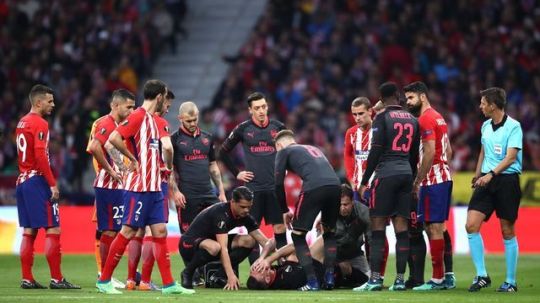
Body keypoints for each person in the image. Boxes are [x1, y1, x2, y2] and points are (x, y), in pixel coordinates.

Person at [95, 80, 193, 295]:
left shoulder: (153, 119)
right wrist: (129, 162)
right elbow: (112, 139)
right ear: (159, 97)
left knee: (160, 231)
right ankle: (104, 280)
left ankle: (168, 285)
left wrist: (125, 165)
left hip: (154, 188)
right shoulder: (138, 116)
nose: (165, 102)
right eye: (164, 97)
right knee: (128, 231)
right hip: (138, 188)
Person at [355, 82, 420, 292]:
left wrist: (364, 181)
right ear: (398, 96)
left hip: (386, 175)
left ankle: (374, 280)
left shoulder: (381, 118)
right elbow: (414, 155)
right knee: (402, 229)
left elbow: (375, 151)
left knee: (377, 227)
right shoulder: (412, 119)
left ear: (381, 98)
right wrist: (411, 180)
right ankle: (400, 280)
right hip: (405, 175)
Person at [15, 84, 80, 289]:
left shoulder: (21, 122)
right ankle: (57, 279)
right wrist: (52, 184)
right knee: (53, 228)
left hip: (22, 180)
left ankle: (27, 278)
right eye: (50, 101)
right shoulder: (39, 123)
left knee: (29, 231)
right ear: (38, 102)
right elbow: (41, 155)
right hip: (37, 181)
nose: (53, 105)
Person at [465, 87, 522, 292]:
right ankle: (482, 275)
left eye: (482, 103)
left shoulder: (514, 126)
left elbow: (511, 157)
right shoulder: (485, 126)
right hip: (486, 180)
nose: (480, 106)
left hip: (506, 181)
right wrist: (478, 173)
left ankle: (510, 281)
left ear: (493, 105)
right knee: (471, 225)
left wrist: (491, 175)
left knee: (507, 230)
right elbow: (483, 151)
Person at [219, 92, 288, 252]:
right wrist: (237, 173)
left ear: (267, 107)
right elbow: (222, 152)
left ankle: (284, 269)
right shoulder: (243, 128)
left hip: (274, 187)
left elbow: (291, 150)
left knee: (279, 228)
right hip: (253, 190)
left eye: (264, 107)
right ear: (250, 110)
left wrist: (285, 168)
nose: (261, 111)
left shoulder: (279, 127)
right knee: (252, 233)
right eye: (257, 108)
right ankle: (256, 273)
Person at [404, 81, 456, 290]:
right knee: (436, 227)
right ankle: (445, 276)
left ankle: (437, 279)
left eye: (410, 98)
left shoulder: (425, 119)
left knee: (433, 227)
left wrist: (418, 181)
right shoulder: (438, 117)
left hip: (432, 181)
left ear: (422, 96)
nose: (408, 102)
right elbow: (448, 151)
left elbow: (430, 152)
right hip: (441, 177)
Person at [274, 129, 341, 291]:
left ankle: (312, 281)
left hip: (314, 187)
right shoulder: (313, 148)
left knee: (297, 236)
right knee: (329, 232)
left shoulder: (283, 151)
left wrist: (284, 210)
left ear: (278, 144)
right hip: (335, 185)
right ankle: (330, 276)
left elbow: (277, 183)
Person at [179, 186, 272, 291]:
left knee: (249, 240)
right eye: (242, 207)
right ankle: (188, 272)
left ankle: (218, 275)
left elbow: (264, 241)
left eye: (249, 207)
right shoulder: (221, 214)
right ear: (233, 202)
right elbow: (223, 248)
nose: (246, 210)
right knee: (216, 247)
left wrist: (280, 258)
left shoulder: (244, 216)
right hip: (188, 244)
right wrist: (231, 276)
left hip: (211, 244)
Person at [87, 89, 135, 283]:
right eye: (129, 107)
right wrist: (109, 171)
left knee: (115, 230)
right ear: (115, 105)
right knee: (107, 230)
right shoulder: (103, 123)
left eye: (133, 107)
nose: (132, 111)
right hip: (108, 184)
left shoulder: (124, 125)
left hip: (120, 184)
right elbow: (93, 148)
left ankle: (108, 275)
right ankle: (104, 275)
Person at [136, 90, 178, 291]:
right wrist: (168, 168)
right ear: (160, 100)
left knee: (138, 231)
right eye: (167, 105)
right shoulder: (158, 122)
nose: (167, 110)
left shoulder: (141, 120)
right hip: (156, 182)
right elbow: (168, 149)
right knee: (156, 233)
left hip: (139, 182)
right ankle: (145, 280)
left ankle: (132, 279)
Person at [170, 101, 227, 234]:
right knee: (188, 238)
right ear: (180, 119)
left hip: (208, 194)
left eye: (194, 120)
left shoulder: (207, 138)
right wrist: (175, 192)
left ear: (198, 115)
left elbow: (213, 165)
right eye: (188, 121)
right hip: (187, 196)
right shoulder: (174, 140)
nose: (192, 124)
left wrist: (222, 192)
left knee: (218, 233)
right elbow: (169, 169)